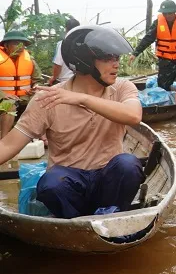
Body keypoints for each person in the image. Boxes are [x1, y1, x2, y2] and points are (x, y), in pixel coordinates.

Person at [0, 25, 144, 218]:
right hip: (70, 184)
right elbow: (9, 145)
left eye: (116, 58)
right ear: (84, 61)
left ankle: (112, 215)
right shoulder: (49, 99)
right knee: (51, 183)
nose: (116, 64)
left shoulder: (123, 88)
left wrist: (82, 99)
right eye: (108, 58)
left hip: (108, 180)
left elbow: (133, 115)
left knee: (128, 164)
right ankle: (76, 222)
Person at [132, 0, 176, 117]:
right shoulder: (157, 24)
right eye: (165, 13)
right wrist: (135, 53)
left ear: (175, 12)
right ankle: (163, 109)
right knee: (162, 86)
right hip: (165, 61)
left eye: (170, 13)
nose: (168, 15)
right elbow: (147, 39)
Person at [0, 30, 42, 138]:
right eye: (16, 43)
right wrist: (3, 94)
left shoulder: (30, 60)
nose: (20, 47)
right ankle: (4, 140)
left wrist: (35, 87)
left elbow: (37, 79)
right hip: (4, 99)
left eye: (22, 44)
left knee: (43, 99)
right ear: (6, 45)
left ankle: (42, 137)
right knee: (9, 105)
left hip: (25, 97)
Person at [48, 18, 81, 86]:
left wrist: (54, 77)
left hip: (65, 82)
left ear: (66, 29)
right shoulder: (82, 44)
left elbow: (58, 64)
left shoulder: (62, 44)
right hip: (80, 82)